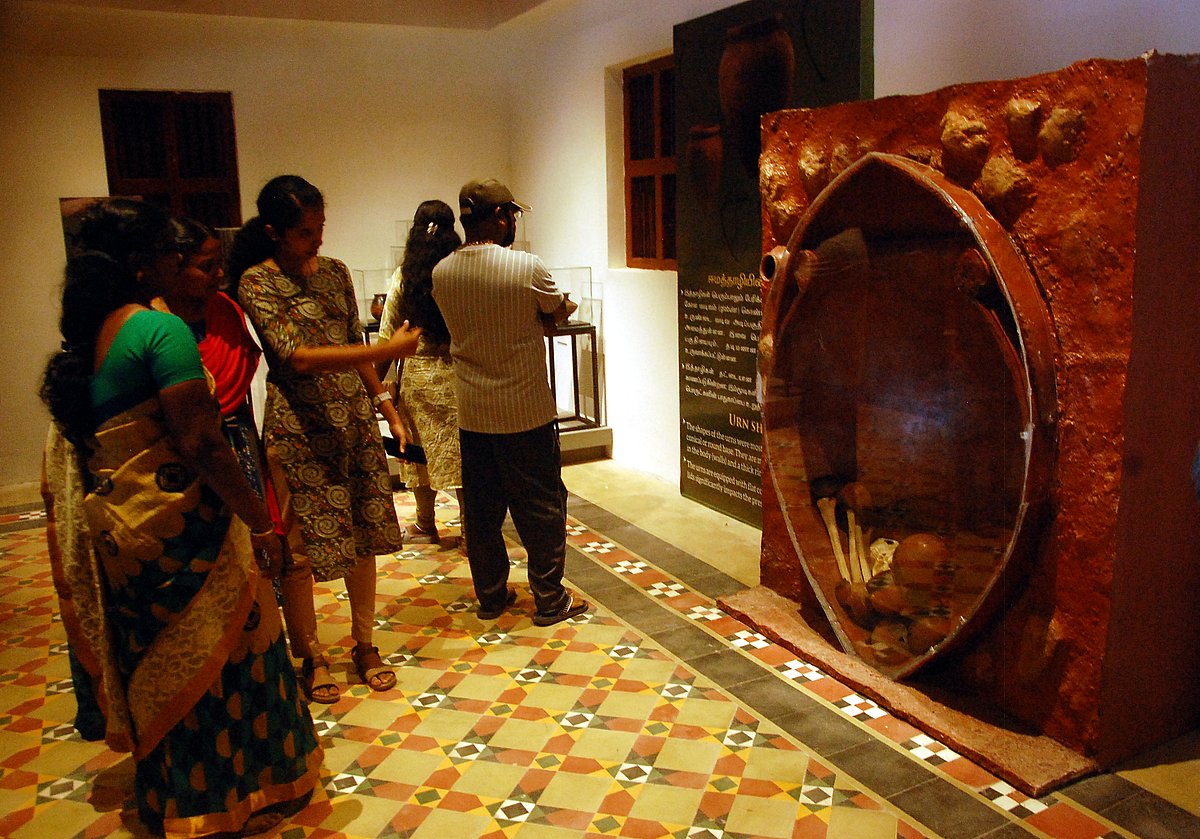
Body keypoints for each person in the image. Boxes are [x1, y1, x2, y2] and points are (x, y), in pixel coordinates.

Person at [39, 198, 321, 837]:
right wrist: (260, 521)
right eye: (178, 256)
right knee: (229, 658)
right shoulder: (157, 331)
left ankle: (174, 797)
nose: (202, 270)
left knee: (158, 662)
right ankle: (234, 799)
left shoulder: (94, 337)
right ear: (146, 265)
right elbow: (201, 442)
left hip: (127, 535)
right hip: (188, 533)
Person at [230, 175, 420, 701]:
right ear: (275, 232)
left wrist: (385, 404)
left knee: (364, 535)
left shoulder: (335, 272)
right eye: (305, 233)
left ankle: (365, 643)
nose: (317, 241)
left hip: (352, 421)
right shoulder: (257, 282)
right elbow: (297, 356)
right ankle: (312, 654)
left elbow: (349, 340)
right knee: (299, 549)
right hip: (297, 427)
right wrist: (386, 351)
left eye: (320, 228)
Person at [431, 178, 590, 625]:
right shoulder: (526, 267)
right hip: (525, 411)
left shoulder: (442, 272)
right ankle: (549, 599)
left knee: (482, 513)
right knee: (541, 508)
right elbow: (556, 310)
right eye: (513, 215)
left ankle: (491, 596)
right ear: (501, 217)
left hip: (474, 414)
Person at [376, 200, 464, 546]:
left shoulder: (405, 276)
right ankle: (472, 531)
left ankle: (425, 524)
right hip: (459, 375)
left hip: (418, 377)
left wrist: (373, 387)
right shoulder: (459, 273)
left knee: (418, 453)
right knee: (462, 457)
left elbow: (387, 335)